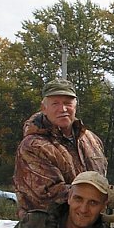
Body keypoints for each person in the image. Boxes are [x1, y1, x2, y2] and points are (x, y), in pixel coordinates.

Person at [13, 78, 107, 217]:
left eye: (67, 103)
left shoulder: (91, 140)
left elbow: (102, 179)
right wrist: (104, 196)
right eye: (55, 103)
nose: (62, 109)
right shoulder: (33, 146)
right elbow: (49, 195)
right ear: (44, 108)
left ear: (75, 105)